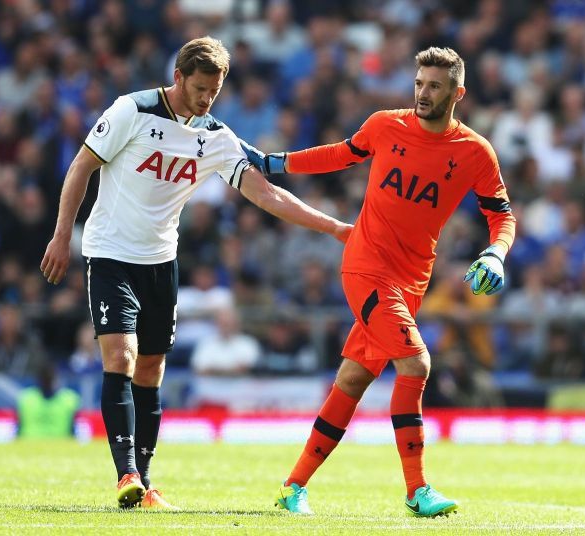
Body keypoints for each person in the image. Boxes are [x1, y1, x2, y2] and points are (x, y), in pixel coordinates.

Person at [39, 37, 351, 510]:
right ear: (179, 77)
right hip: (110, 253)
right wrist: (63, 235)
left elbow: (266, 194)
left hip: (161, 260)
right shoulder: (132, 110)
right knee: (120, 356)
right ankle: (125, 473)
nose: (207, 99)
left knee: (151, 368)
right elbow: (82, 165)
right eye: (200, 88)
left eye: (215, 90)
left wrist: (331, 226)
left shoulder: (216, 137)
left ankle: (143, 484)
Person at [243, 47, 516, 517]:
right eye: (418, 83)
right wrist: (276, 163)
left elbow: (502, 217)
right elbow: (340, 155)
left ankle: (293, 487)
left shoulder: (474, 152)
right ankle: (417, 490)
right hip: (365, 268)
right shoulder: (386, 124)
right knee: (417, 365)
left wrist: (496, 252)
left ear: (457, 92)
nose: (422, 93)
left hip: (412, 281)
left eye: (433, 85)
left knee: (351, 380)